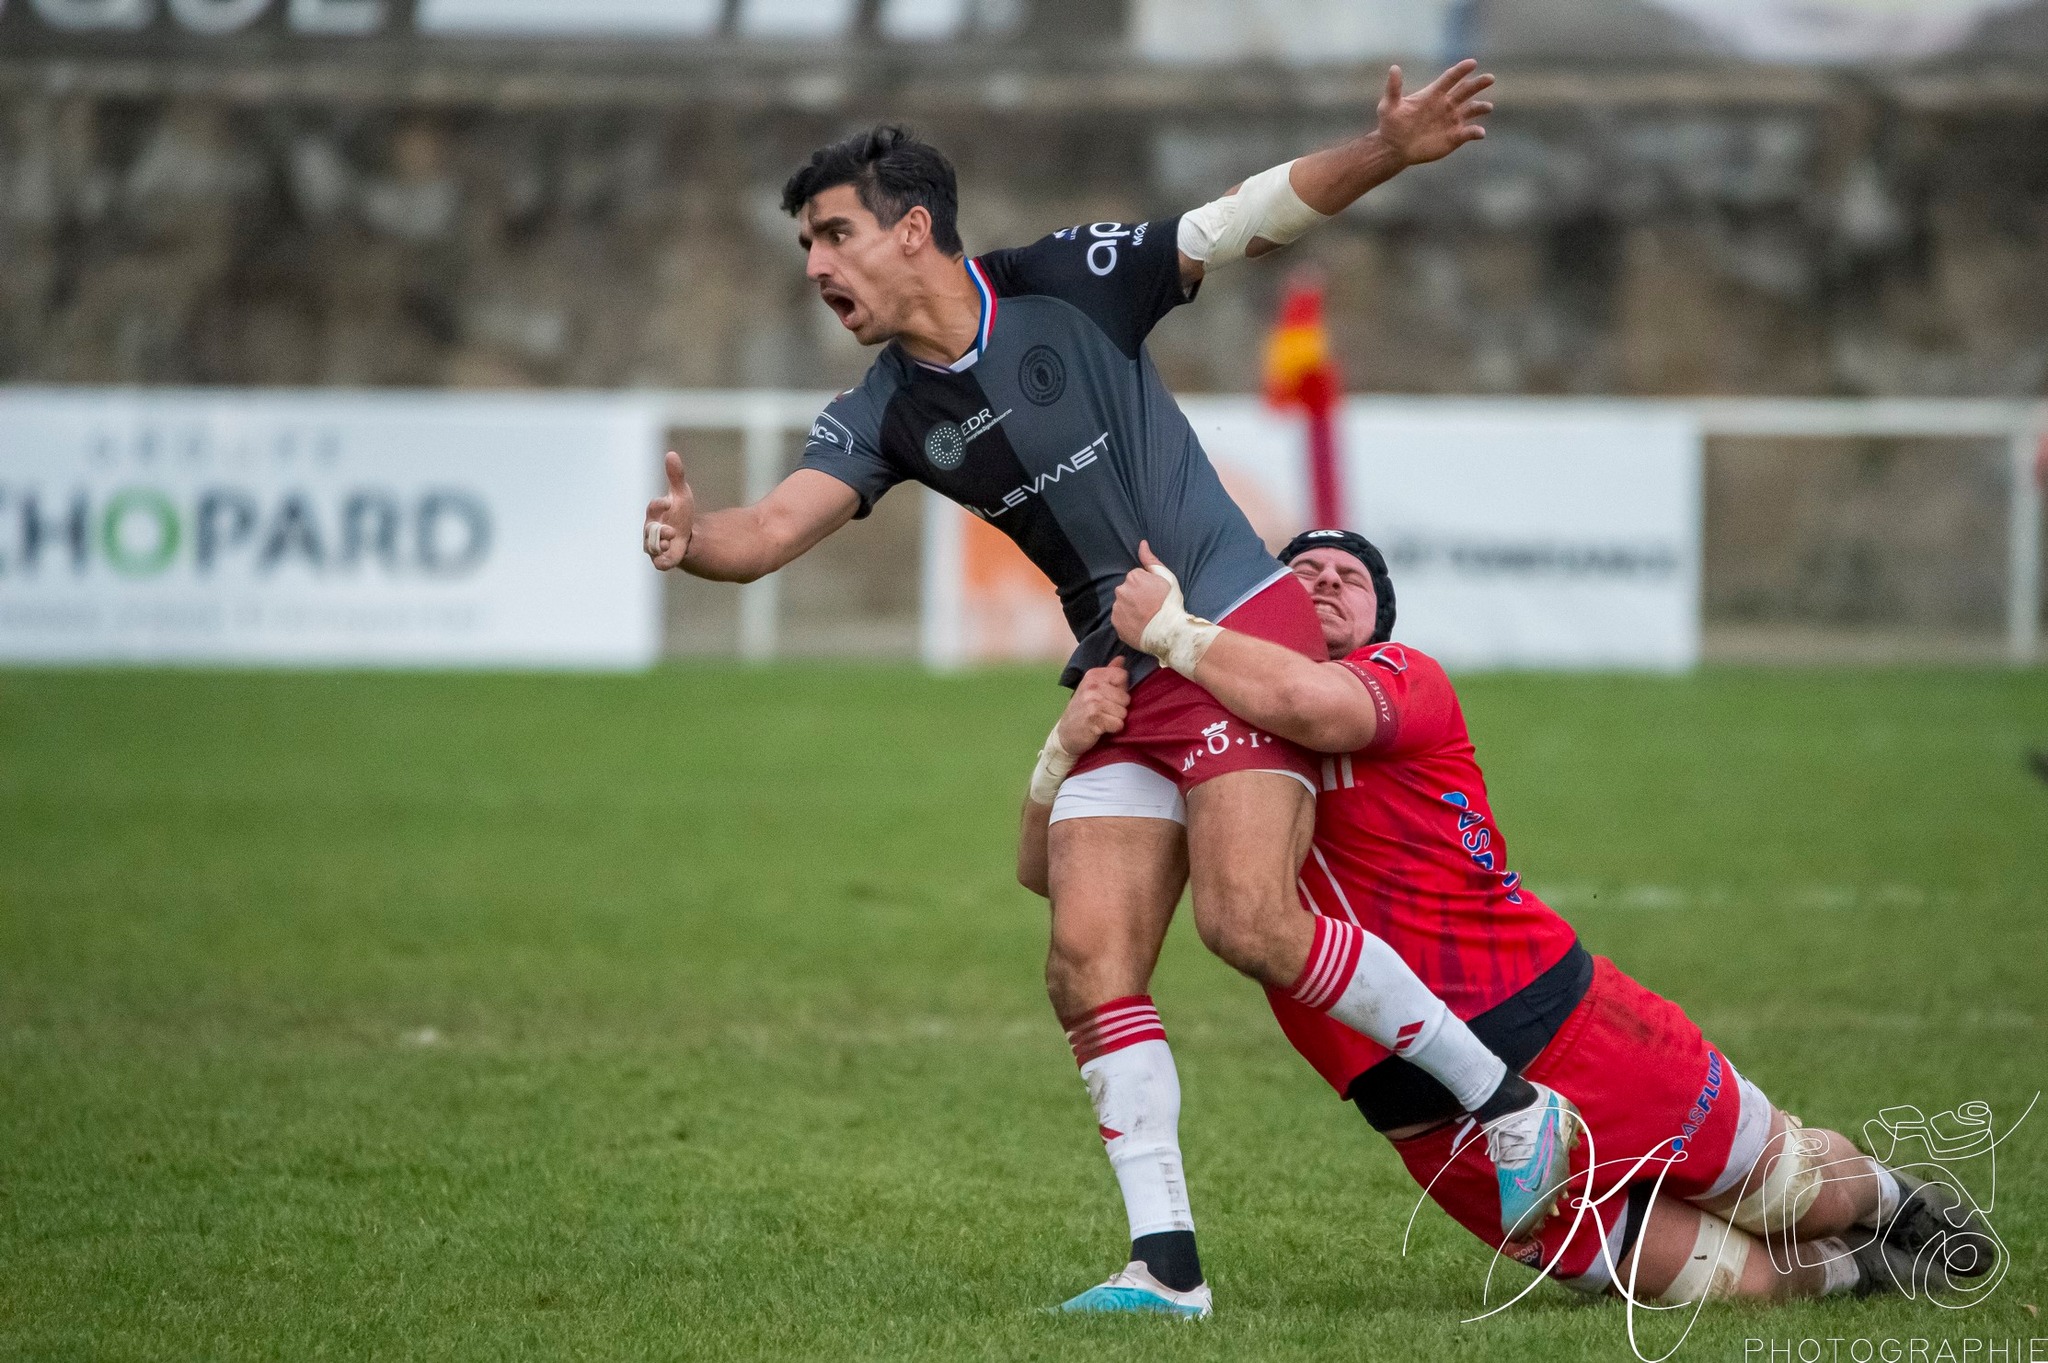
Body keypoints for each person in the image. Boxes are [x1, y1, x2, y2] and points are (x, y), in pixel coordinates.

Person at [641, 69, 1580, 1315]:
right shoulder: (882, 409)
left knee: (1246, 922)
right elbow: (765, 530)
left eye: (833, 233)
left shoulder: (1060, 281)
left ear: (910, 227)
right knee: (1085, 960)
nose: (814, 263)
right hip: (1120, 672)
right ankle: (1167, 1266)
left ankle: (1513, 1110)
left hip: (1234, 623)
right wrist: (691, 538)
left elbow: (1242, 218)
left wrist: (1386, 150)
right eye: (806, 242)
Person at [1015, 528, 1998, 1307]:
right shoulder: (1214, 749)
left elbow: (1309, 706)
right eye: (1297, 569)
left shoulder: (1399, 679)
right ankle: (1860, 1273)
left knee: (1782, 1189)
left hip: (1559, 1026)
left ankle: (1887, 1197)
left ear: (1381, 617)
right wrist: (1061, 753)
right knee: (1710, 1281)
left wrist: (1175, 634)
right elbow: (1052, 882)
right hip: (1423, 1114)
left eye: (1345, 574)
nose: (1318, 580)